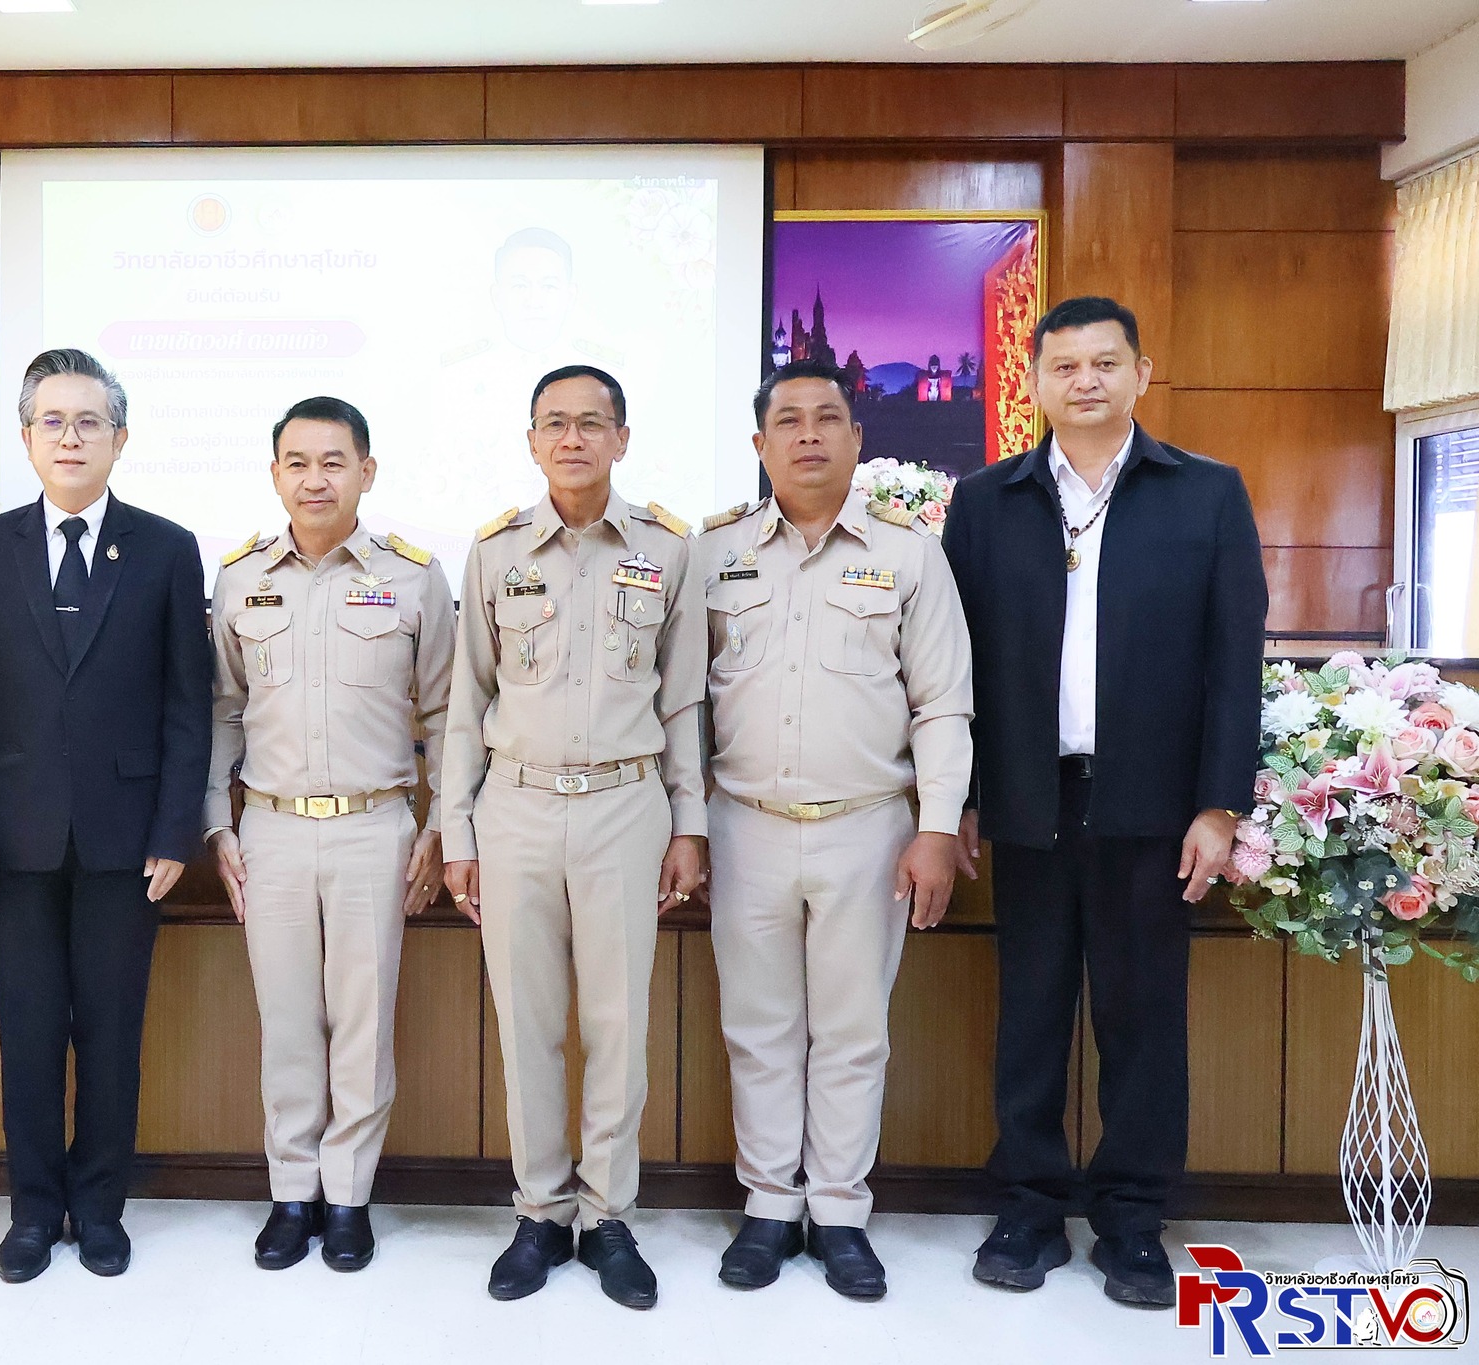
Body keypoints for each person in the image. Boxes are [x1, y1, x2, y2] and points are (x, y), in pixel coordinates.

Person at [942, 297, 1267, 1307]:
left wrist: (1218, 804)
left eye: (1104, 363)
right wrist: (960, 796)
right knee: (1030, 1011)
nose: (1084, 380)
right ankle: (1029, 1207)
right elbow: (954, 666)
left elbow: (1234, 660)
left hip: (1152, 803)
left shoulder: (1204, 492)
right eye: (1064, 365)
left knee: (1142, 1018)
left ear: (1139, 373)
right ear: (1033, 382)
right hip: (1027, 796)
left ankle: (1131, 1220)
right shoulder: (986, 500)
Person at [0, 348, 212, 1284]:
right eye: (52, 421)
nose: (71, 437)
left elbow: (188, 705)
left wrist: (173, 831)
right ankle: (31, 1209)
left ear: (120, 438)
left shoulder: (166, 547)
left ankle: (98, 1208)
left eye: (90, 421)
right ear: (25, 437)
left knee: (111, 1033)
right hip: (12, 838)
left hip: (129, 843)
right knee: (27, 1031)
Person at [699, 361, 973, 1300]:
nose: (808, 434)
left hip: (870, 830)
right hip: (745, 826)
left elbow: (943, 704)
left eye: (828, 418)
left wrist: (937, 827)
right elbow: (682, 703)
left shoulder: (909, 556)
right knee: (759, 1028)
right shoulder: (714, 554)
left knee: (854, 1032)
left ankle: (841, 1212)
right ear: (760, 443)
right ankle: (771, 1205)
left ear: (858, 438)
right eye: (788, 420)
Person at [443, 365, 708, 1311]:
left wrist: (689, 821)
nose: (572, 438)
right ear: (531, 440)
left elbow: (684, 701)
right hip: (514, 805)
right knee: (526, 1022)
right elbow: (466, 699)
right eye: (554, 422)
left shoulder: (669, 548)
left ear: (621, 438)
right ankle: (540, 1211)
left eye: (592, 423)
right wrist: (456, 829)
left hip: (626, 805)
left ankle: (608, 1216)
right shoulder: (494, 552)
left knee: (618, 1024)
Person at [205, 396, 457, 1272]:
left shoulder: (415, 577)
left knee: (362, 1019)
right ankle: (292, 1191)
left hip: (374, 826)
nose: (316, 479)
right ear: (276, 473)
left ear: (366, 472)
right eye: (298, 462)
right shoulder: (240, 578)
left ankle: (348, 1195)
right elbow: (222, 712)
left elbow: (447, 712)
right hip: (270, 829)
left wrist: (440, 824)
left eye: (334, 461)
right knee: (285, 1019)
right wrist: (216, 822)